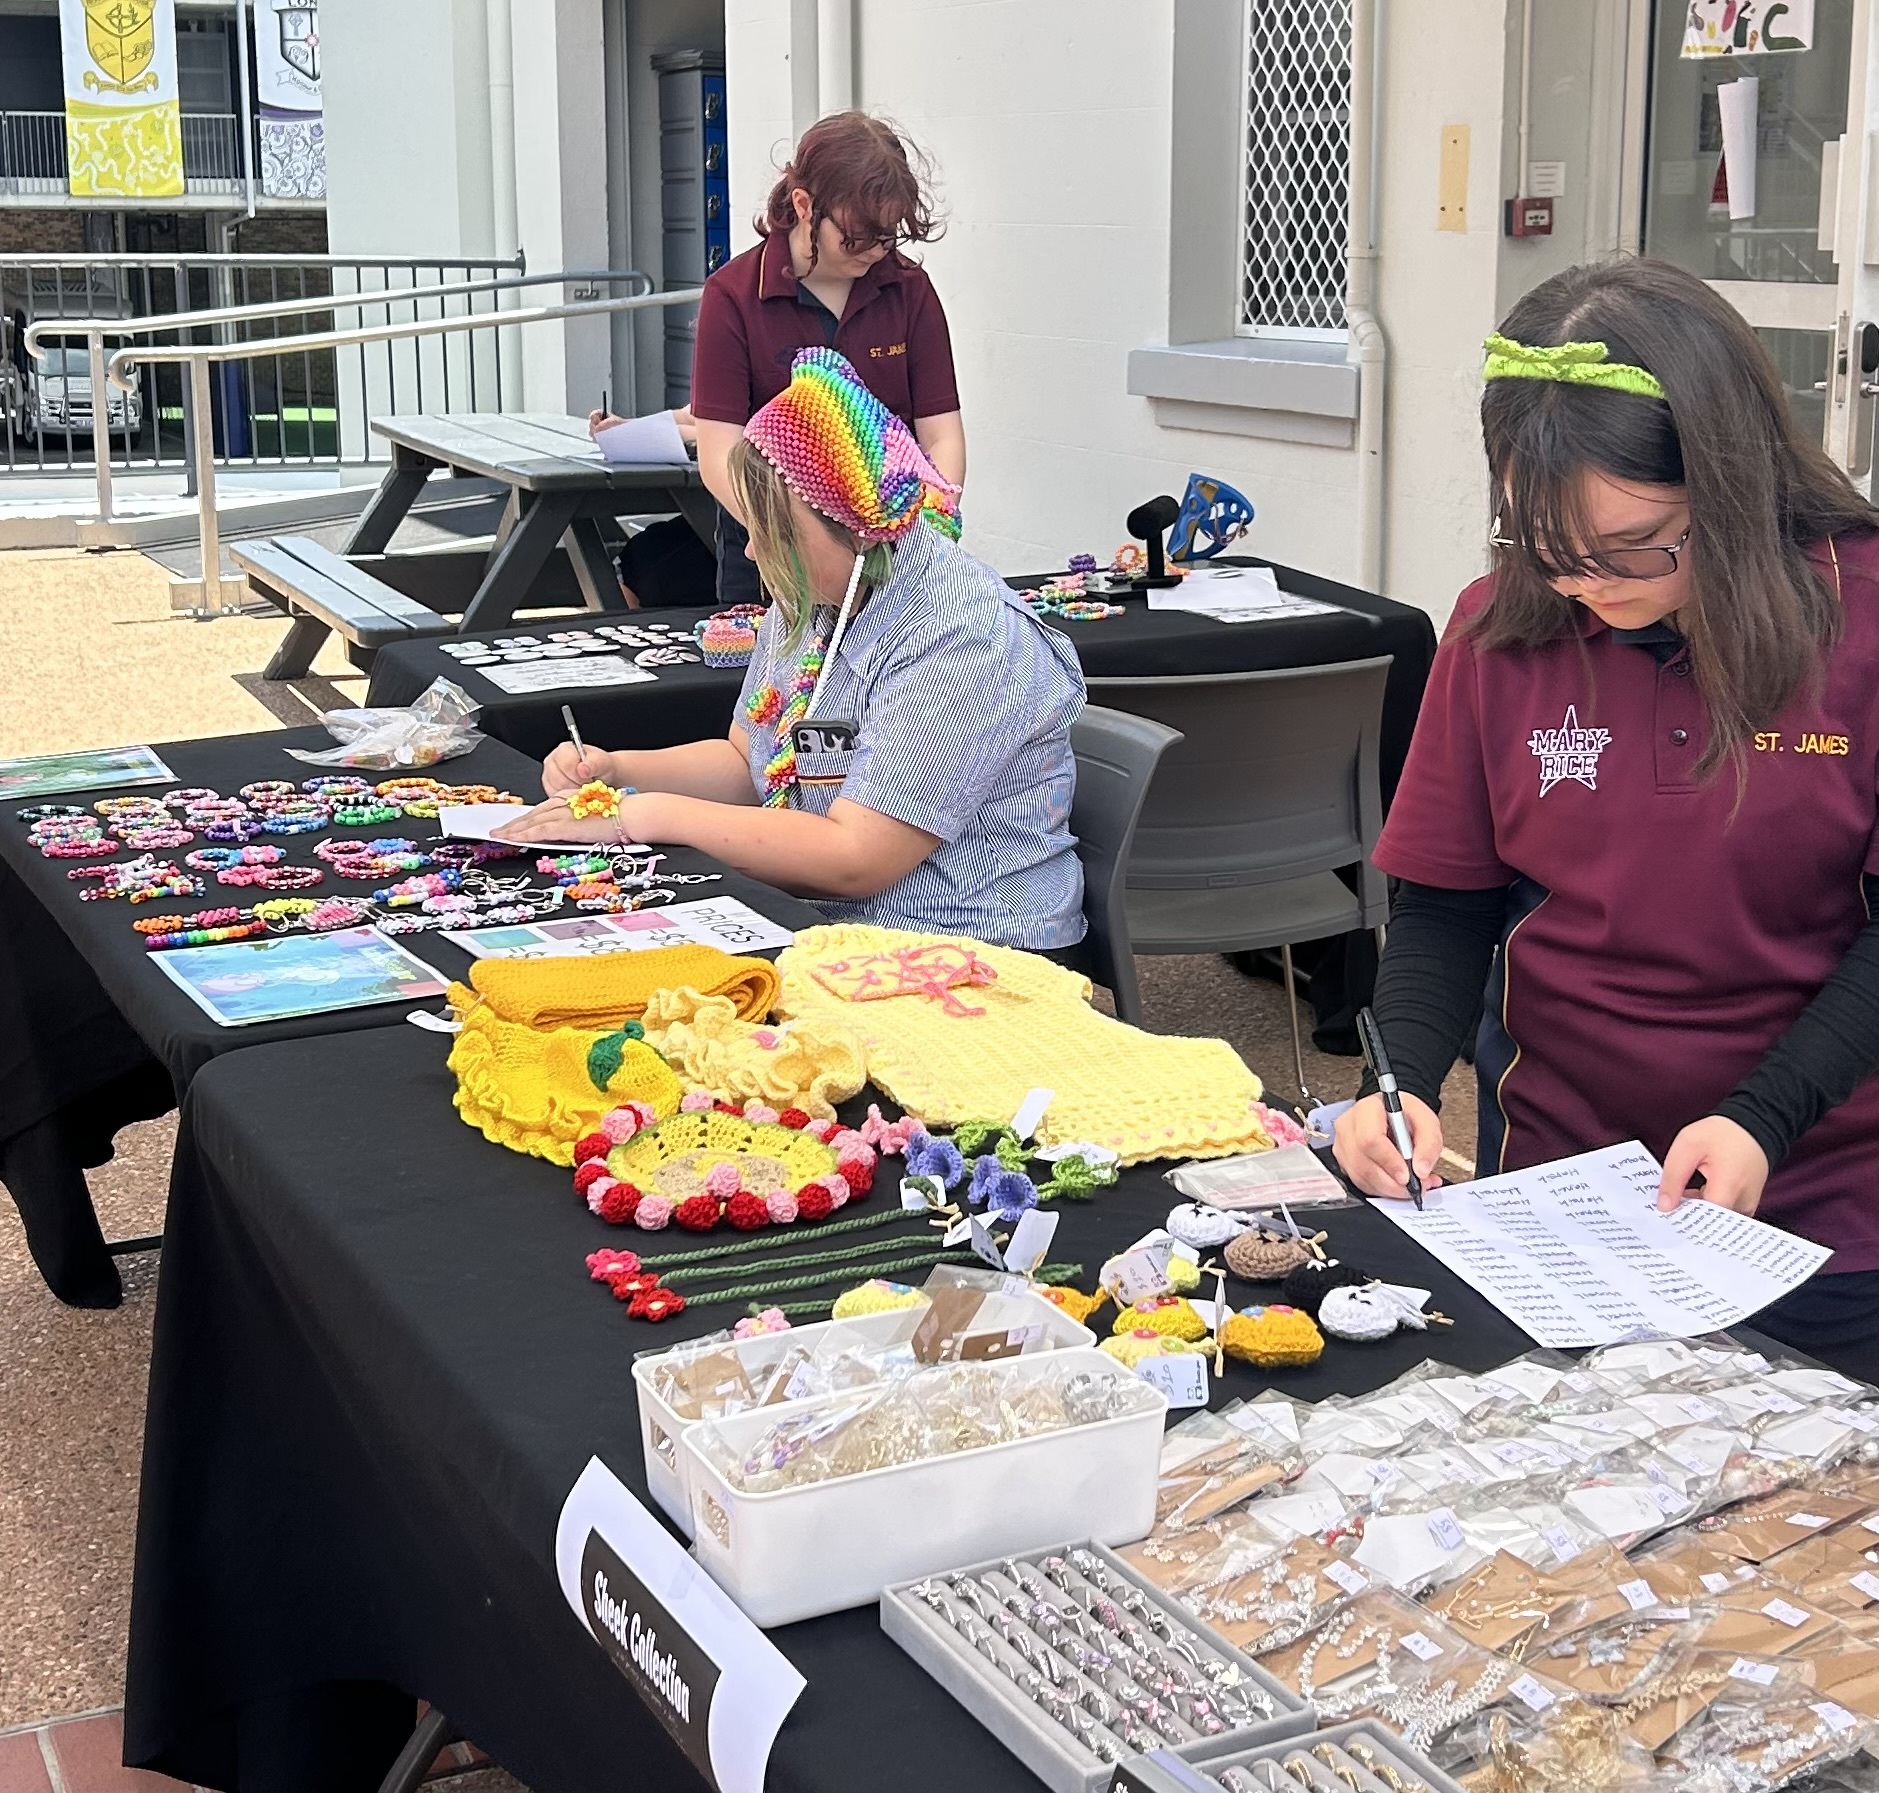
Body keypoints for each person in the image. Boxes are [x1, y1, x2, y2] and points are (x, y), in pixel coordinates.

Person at [1332, 258, 1877, 1376]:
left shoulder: (1859, 618)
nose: (1590, 584)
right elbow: (1444, 907)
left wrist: (1758, 1120)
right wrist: (1396, 1086)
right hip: (1561, 1208)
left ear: (1730, 484)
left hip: (1823, 1211)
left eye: (1637, 548)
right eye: (1550, 547)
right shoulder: (1497, 631)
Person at [497, 348, 1085, 952]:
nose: (752, 552)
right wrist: (621, 771)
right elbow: (749, 764)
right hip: (830, 923)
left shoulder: (965, 637)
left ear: (853, 525)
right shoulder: (818, 596)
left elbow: (859, 857)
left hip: (964, 943)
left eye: (771, 532)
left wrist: (647, 816)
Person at [687, 111, 965, 605]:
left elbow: (941, 435)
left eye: (888, 236)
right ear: (803, 205)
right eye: (857, 237)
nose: (876, 253)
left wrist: (930, 528)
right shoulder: (732, 295)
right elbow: (719, 455)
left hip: (898, 558)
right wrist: (794, 545)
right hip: (771, 556)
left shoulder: (910, 291)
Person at [580, 405, 719, 608]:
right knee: (641, 553)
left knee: (657, 575)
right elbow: (695, 414)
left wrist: (677, 434)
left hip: (760, 518)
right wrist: (625, 427)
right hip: (718, 509)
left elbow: (734, 436)